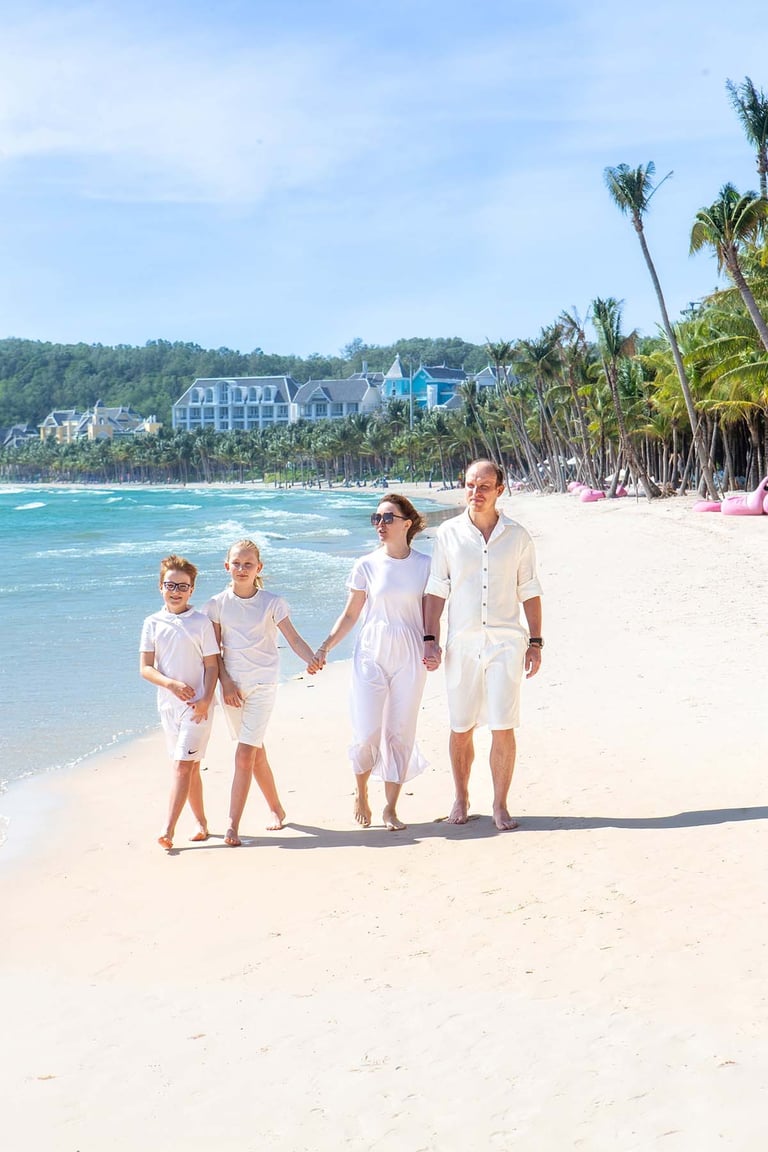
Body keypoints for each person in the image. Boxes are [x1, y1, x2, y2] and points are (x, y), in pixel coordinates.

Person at [423, 459, 543, 831]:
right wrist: (431, 639)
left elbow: (530, 590)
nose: (476, 493)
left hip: (507, 643)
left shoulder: (518, 536)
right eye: (471, 485)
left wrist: (536, 641)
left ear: (499, 490)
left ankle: (500, 805)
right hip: (462, 643)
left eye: (484, 486)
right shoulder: (448, 534)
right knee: (461, 726)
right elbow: (436, 588)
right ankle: (460, 798)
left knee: (503, 726)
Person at [310, 494, 432, 831]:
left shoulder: (425, 565)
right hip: (370, 651)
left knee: (400, 731)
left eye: (388, 518)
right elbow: (351, 614)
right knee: (366, 731)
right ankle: (361, 792)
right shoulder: (366, 564)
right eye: (376, 518)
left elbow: (433, 613)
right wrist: (325, 647)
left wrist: (434, 646)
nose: (380, 524)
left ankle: (391, 808)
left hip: (410, 651)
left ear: (407, 523)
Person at [204, 539, 317, 847]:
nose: (242, 569)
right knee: (255, 753)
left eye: (248, 564)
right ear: (226, 566)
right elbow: (213, 652)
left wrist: (311, 659)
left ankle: (232, 825)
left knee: (244, 754)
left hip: (264, 684)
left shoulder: (273, 602)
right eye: (236, 564)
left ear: (259, 568)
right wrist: (224, 684)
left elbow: (293, 638)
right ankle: (277, 808)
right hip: (232, 689)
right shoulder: (216, 605)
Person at [139, 554, 219, 851]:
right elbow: (145, 668)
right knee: (191, 766)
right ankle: (201, 823)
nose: (176, 591)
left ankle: (168, 829)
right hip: (168, 707)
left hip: (198, 708)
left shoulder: (201, 623)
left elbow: (212, 665)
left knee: (181, 767)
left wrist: (206, 700)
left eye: (182, 586)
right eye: (170, 585)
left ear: (192, 590)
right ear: (160, 587)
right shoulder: (152, 623)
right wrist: (170, 684)